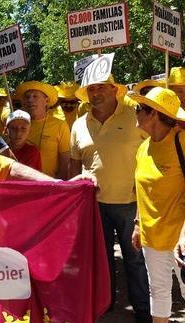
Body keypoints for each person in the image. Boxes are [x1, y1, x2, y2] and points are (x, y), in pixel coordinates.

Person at [69, 74, 151, 321]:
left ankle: (143, 312)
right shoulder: (78, 124)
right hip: (94, 206)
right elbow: (74, 166)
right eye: (91, 89)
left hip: (131, 203)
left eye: (101, 87)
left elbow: (154, 151)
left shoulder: (135, 116)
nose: (95, 93)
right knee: (101, 261)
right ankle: (105, 307)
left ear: (114, 90)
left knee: (135, 260)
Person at [130, 87, 185, 322]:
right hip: (151, 237)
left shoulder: (181, 141)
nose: (135, 112)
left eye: (138, 108)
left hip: (180, 238)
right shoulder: (143, 148)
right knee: (159, 291)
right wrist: (137, 223)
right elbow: (140, 190)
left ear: (153, 114)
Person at [15, 81, 70, 179]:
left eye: (35, 96)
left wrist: (57, 185)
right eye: (27, 97)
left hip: (49, 186)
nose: (30, 100)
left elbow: (65, 161)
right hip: (22, 185)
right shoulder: (16, 125)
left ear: (47, 101)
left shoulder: (60, 125)